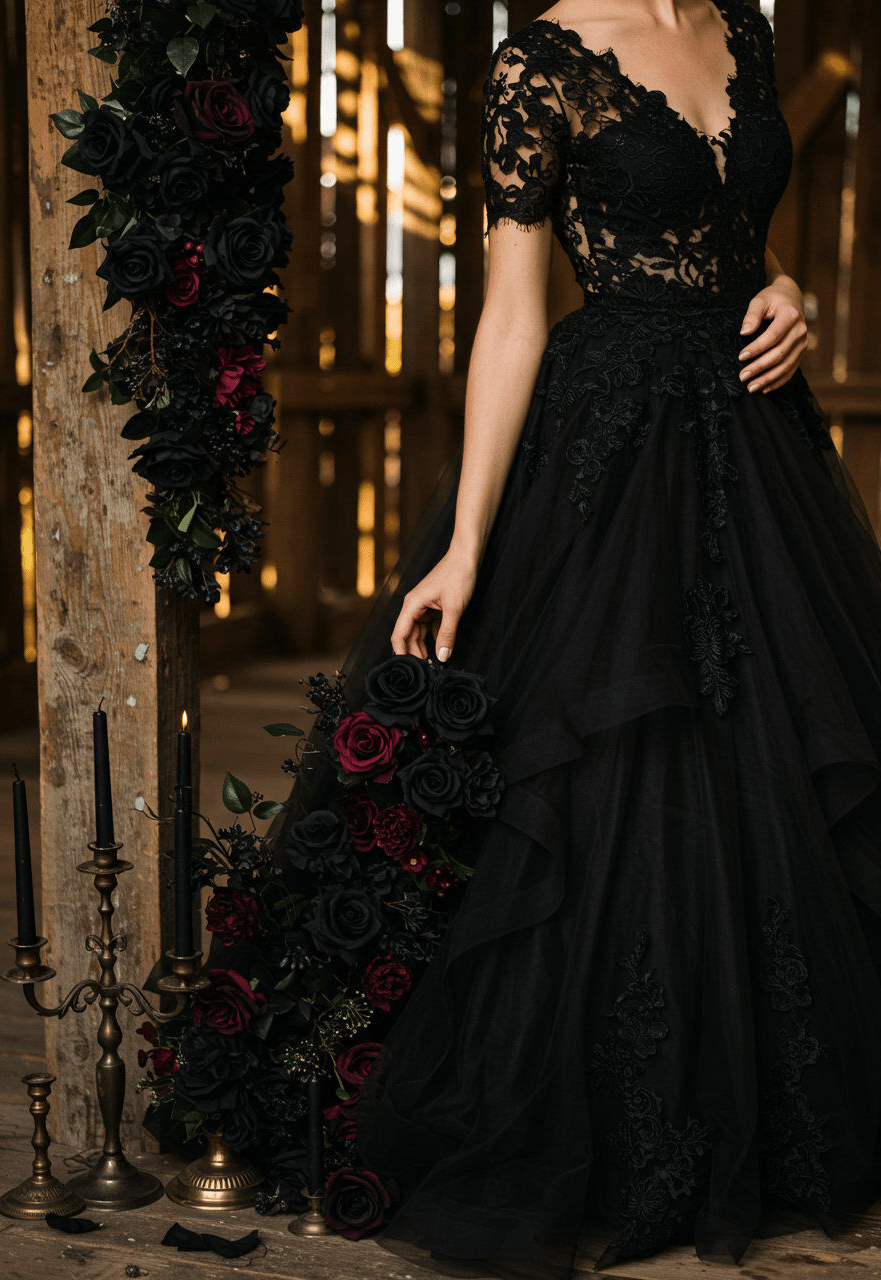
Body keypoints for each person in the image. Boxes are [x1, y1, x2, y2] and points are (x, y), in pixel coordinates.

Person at [343, 1, 881, 1275]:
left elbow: (734, 242)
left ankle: (773, 1112)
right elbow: (515, 316)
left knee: (780, 758)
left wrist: (786, 286)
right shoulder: (541, 57)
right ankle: (632, 1130)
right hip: (609, 457)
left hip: (755, 449)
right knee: (621, 774)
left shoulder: (741, 34)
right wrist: (466, 544)